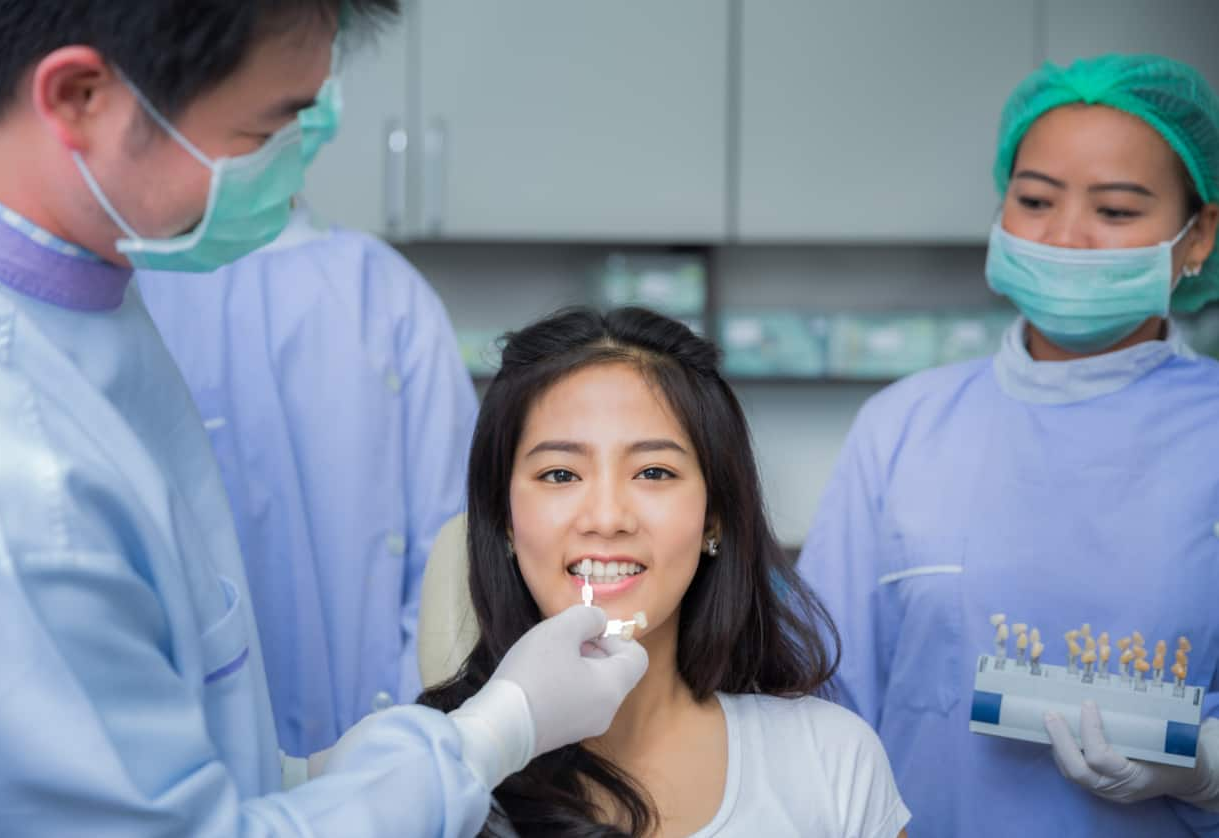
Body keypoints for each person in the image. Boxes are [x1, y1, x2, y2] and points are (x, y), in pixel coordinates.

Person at [0, 3, 646, 835]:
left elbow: (167, 756)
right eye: (264, 132)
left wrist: (328, 773)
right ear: (79, 97)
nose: (288, 170)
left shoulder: (92, 302)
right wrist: (494, 732)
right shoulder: (9, 472)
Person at [799, 54, 1219, 837]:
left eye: (1118, 211)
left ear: (1200, 236)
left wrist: (1207, 771)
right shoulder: (903, 426)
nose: (1064, 238)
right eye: (1034, 200)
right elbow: (824, 700)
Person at [420, 307, 911, 837]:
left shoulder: (832, 761)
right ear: (505, 520)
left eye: (654, 472)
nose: (607, 519)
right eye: (560, 474)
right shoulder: (431, 775)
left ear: (713, 518)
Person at [138, 194, 477, 757]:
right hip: (187, 748)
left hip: (386, 744)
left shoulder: (384, 290)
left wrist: (410, 742)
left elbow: (452, 545)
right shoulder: (132, 290)